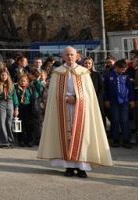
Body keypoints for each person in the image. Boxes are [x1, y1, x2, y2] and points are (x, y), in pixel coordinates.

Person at [38, 47, 112, 178]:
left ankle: (82, 167)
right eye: (67, 55)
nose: (70, 57)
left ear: (77, 56)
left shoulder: (83, 72)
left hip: (81, 109)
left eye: (72, 54)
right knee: (66, 136)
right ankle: (69, 166)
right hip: (63, 108)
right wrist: (65, 98)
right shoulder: (57, 73)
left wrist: (77, 98)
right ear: (63, 57)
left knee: (81, 136)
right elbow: (53, 94)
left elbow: (89, 94)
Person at [103, 59, 133, 148]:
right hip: (113, 101)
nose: (124, 71)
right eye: (122, 69)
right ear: (116, 67)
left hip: (124, 101)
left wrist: (132, 100)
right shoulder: (108, 76)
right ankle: (115, 140)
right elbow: (105, 89)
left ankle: (126, 140)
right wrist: (106, 100)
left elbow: (130, 88)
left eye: (125, 69)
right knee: (115, 121)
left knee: (124, 120)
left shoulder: (126, 76)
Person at [0, 67, 18, 149]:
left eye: (5, 75)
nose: (4, 76)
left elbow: (14, 97)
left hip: (10, 103)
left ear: (8, 76)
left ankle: (10, 140)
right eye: (2, 75)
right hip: (1, 102)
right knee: (1, 122)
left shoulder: (11, 84)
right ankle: (3, 142)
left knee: (9, 122)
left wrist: (16, 107)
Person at [15, 74, 34, 147]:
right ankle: (21, 140)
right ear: (19, 82)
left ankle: (29, 140)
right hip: (20, 107)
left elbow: (33, 97)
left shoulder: (30, 88)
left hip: (28, 107)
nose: (23, 82)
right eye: (21, 81)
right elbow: (15, 98)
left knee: (29, 125)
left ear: (27, 82)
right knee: (21, 125)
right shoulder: (16, 89)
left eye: (24, 81)